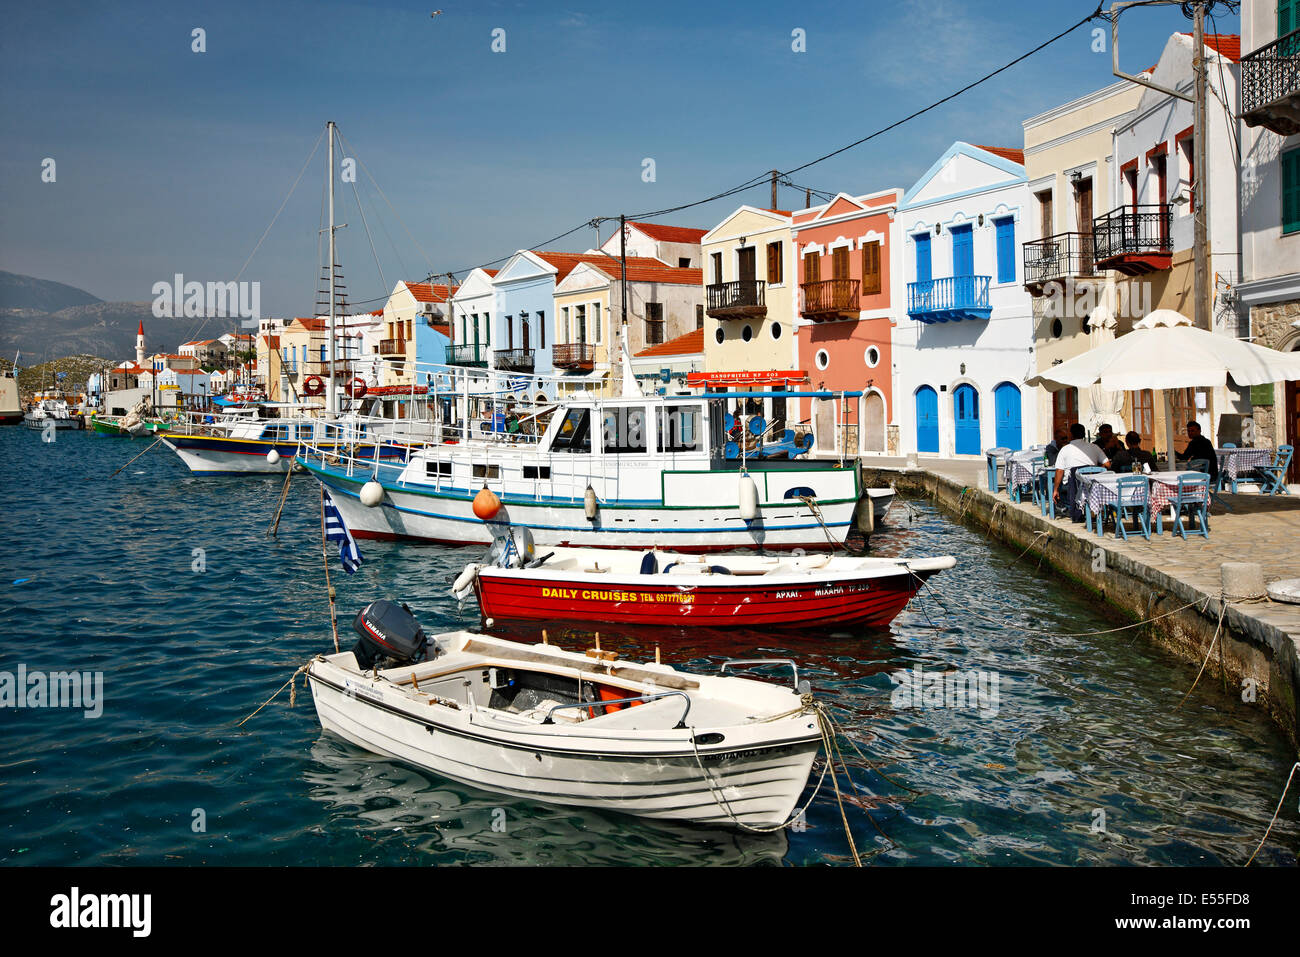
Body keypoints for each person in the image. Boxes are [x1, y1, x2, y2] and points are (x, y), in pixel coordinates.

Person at [1053, 423, 1110, 521]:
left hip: (1074, 486)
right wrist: (1097, 469)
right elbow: (1108, 464)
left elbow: (1059, 471)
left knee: (1062, 489)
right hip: (1093, 485)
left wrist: (1055, 489)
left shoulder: (1065, 449)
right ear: (1084, 434)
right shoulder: (1094, 447)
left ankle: (1073, 510)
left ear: (1071, 434)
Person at [1178, 420, 1219, 485]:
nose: (1190, 433)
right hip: (1213, 475)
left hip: (1203, 476)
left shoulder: (1194, 443)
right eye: (1188, 431)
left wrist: (1173, 452)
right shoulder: (1207, 441)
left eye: (1192, 431)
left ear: (1199, 431)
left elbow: (1184, 458)